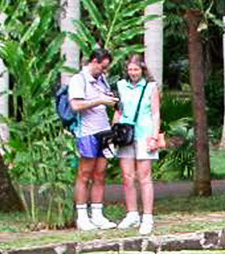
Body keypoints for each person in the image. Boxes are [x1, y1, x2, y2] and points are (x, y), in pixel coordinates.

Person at [68, 48, 119, 232]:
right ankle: (82, 216)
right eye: (102, 67)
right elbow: (75, 105)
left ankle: (97, 214)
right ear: (94, 61)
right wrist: (100, 100)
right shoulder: (78, 79)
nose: (103, 71)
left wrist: (111, 101)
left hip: (104, 131)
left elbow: (106, 100)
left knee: (101, 173)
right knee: (85, 173)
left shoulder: (102, 79)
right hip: (87, 132)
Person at [114, 53, 162, 236]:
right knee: (127, 176)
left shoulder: (150, 87)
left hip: (144, 134)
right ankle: (132, 213)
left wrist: (154, 136)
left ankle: (147, 216)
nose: (133, 72)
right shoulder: (121, 85)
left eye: (136, 69)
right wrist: (113, 131)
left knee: (144, 176)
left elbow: (155, 113)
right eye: (130, 69)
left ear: (142, 70)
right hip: (125, 134)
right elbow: (118, 111)